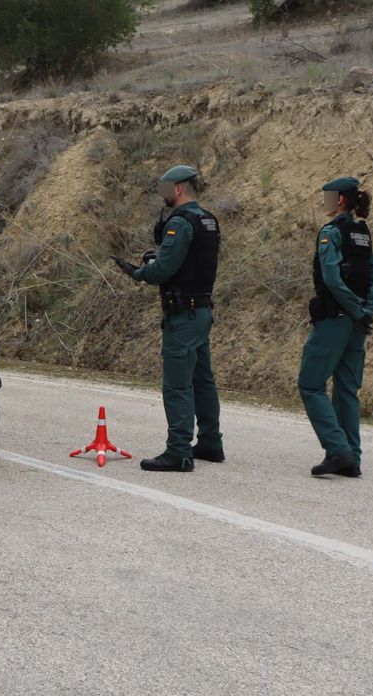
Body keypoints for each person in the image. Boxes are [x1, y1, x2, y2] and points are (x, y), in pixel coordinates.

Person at [112, 164, 223, 473]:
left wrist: (138, 271)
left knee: (177, 385)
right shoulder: (208, 219)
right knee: (203, 380)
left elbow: (163, 270)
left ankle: (179, 452)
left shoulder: (181, 222)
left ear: (176, 189)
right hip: (201, 309)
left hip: (183, 314)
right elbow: (189, 262)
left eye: (164, 188)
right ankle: (211, 442)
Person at [300, 177, 373, 478]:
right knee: (347, 391)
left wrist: (353, 311)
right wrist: (365, 312)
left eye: (327, 196)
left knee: (310, 384)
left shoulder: (331, 233)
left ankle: (338, 450)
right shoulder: (362, 234)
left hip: (335, 321)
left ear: (339, 200)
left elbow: (333, 279)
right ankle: (352, 458)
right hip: (355, 324)